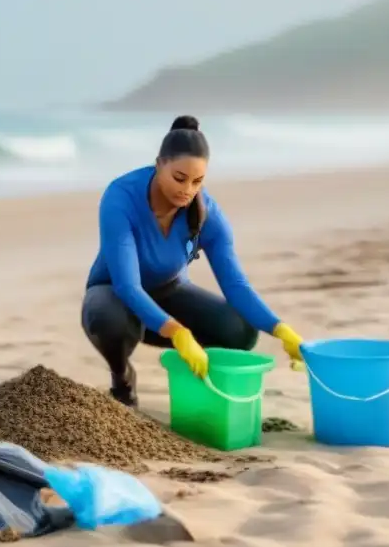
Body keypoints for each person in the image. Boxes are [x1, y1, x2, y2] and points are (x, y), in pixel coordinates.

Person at [82, 116, 306, 406]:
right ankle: (122, 377)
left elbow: (235, 284)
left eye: (197, 181)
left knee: (241, 330)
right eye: (179, 178)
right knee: (107, 318)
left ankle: (198, 380)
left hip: (169, 293)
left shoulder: (207, 214)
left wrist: (280, 329)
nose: (187, 190)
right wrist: (178, 333)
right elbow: (128, 285)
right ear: (159, 163)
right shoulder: (121, 197)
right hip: (113, 294)